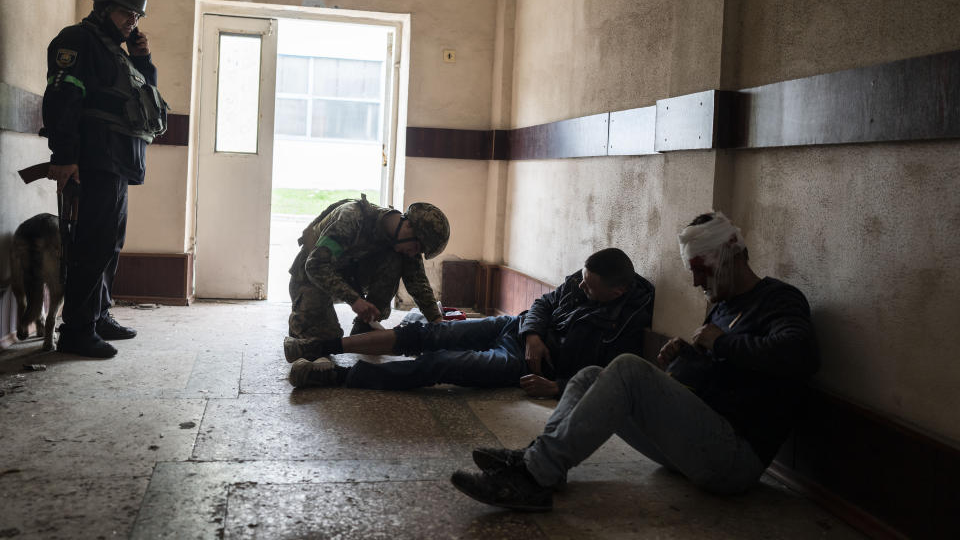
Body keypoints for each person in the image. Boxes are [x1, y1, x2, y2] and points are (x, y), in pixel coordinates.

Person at [449, 212, 819, 512]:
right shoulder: (722, 306)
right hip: (696, 446)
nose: (694, 282)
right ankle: (540, 461)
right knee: (589, 376)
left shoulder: (780, 300)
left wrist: (722, 343)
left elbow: (798, 355)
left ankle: (532, 477)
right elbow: (727, 366)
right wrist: (689, 355)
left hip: (735, 460)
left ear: (727, 258)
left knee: (627, 366)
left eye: (700, 270)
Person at [283, 248, 655, 394]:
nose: (582, 286)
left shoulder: (624, 326)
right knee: (428, 333)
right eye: (583, 280)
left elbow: (605, 377)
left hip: (524, 364)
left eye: (591, 288)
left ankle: (336, 376)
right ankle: (321, 348)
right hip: (517, 330)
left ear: (617, 293)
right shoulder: (588, 277)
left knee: (441, 363)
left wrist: (556, 387)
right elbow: (544, 302)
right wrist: (533, 332)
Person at [42, 0, 168, 358]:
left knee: (110, 243)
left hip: (116, 162)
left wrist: (142, 59)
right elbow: (62, 99)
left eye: (136, 18)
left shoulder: (117, 52)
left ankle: (98, 316)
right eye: (127, 15)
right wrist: (64, 157)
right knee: (92, 245)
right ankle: (77, 331)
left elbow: (146, 97)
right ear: (103, 8)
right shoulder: (77, 41)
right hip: (94, 159)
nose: (132, 23)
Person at [287, 195, 451, 348]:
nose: (413, 253)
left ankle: (365, 326)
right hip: (311, 278)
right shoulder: (351, 218)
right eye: (417, 247)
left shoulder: (402, 242)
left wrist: (437, 321)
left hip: (348, 279)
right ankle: (301, 321)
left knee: (396, 259)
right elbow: (315, 265)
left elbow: (417, 282)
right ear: (408, 226)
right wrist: (355, 300)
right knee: (323, 344)